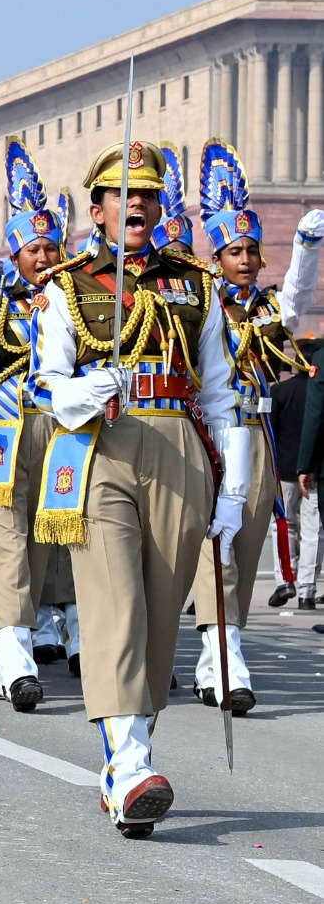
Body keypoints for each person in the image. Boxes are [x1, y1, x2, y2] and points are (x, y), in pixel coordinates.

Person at [31, 139, 251, 837]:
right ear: (94, 209)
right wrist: (81, 391)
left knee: (159, 614)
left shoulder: (194, 284)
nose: (135, 202)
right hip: (99, 448)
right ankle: (128, 765)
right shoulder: (66, 286)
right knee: (116, 604)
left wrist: (231, 482)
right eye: (120, 193)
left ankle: (130, 756)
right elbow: (44, 381)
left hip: (178, 446)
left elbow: (218, 388)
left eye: (147, 193)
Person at [187, 141, 321, 713]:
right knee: (215, 550)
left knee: (244, 548)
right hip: (213, 438)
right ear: (215, 257)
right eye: (233, 250)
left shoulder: (266, 308)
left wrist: (307, 247)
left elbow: (294, 298)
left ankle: (221, 649)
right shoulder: (196, 305)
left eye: (251, 250)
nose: (244, 259)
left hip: (258, 441)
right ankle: (224, 656)